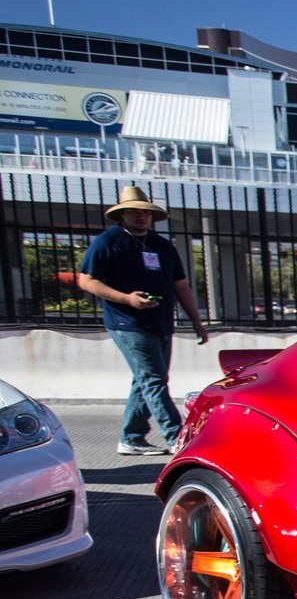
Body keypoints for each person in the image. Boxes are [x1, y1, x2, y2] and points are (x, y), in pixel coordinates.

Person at [75, 186, 209, 456]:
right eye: (134, 212)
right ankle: (177, 437)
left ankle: (131, 437)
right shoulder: (107, 242)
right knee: (153, 379)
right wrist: (127, 299)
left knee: (146, 380)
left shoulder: (162, 246)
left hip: (160, 322)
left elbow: (180, 285)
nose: (140, 217)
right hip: (127, 323)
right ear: (122, 214)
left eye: (145, 212)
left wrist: (196, 320)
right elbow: (86, 280)